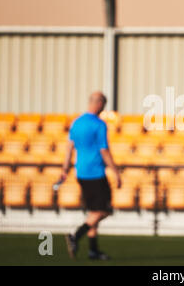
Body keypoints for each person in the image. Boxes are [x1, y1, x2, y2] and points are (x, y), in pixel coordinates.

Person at [60, 91, 121, 260]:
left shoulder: (76, 123)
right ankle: (76, 235)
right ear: (100, 104)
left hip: (81, 172)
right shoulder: (99, 125)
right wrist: (116, 172)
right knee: (104, 210)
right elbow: (104, 150)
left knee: (93, 211)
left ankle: (93, 250)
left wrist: (65, 169)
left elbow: (69, 147)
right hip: (95, 173)